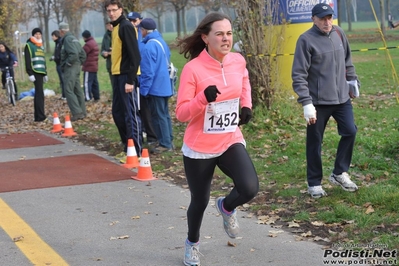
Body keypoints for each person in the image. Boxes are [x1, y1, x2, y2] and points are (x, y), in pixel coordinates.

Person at [175, 12, 259, 266]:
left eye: (229, 33)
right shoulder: (193, 70)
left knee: (249, 187)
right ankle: (192, 244)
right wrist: (203, 98)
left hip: (229, 138)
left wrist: (246, 105)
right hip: (200, 146)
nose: (226, 38)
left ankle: (226, 207)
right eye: (219, 34)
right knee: (199, 202)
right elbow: (181, 113)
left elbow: (244, 82)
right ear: (206, 38)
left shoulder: (237, 61)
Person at [291, 3, 359, 199]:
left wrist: (352, 82)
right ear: (313, 19)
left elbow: (348, 60)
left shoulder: (338, 33)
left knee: (350, 131)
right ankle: (314, 183)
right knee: (315, 141)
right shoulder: (305, 40)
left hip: (341, 98)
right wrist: (306, 103)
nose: (326, 22)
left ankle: (339, 172)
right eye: (322, 18)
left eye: (329, 17)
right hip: (317, 102)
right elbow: (299, 74)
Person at [104, 0, 142, 157]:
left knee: (130, 114)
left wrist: (130, 80)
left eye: (114, 10)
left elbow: (135, 56)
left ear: (121, 10)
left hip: (127, 76)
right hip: (118, 75)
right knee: (117, 112)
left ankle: (136, 151)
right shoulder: (116, 27)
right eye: (109, 11)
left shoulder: (126, 26)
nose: (111, 13)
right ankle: (128, 146)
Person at [139, 18, 173, 153]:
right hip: (166, 84)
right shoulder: (161, 42)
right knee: (165, 114)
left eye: (141, 29)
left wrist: (144, 90)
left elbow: (148, 72)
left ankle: (165, 144)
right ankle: (168, 139)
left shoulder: (148, 47)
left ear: (145, 30)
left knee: (158, 116)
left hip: (156, 87)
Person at [127, 11, 158, 148]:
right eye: (130, 21)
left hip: (144, 75)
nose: (133, 23)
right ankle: (144, 131)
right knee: (139, 106)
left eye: (135, 21)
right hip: (136, 74)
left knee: (146, 107)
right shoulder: (130, 33)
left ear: (140, 21)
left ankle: (151, 135)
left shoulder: (144, 36)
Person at [59, 22, 87, 122]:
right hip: (76, 66)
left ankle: (77, 112)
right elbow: (83, 53)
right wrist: (79, 63)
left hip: (70, 68)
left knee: (68, 90)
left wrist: (68, 64)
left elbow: (73, 54)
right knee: (77, 89)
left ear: (61, 31)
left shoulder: (67, 39)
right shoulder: (74, 38)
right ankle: (82, 111)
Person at [24, 28, 48, 122]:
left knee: (40, 94)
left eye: (39, 34)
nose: (38, 36)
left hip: (41, 72)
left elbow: (43, 59)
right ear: (33, 35)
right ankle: (40, 116)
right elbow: (27, 60)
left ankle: (38, 116)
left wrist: (45, 73)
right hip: (35, 72)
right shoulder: (29, 45)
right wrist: (30, 73)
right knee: (39, 94)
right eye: (36, 34)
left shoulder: (41, 46)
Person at [82, 30, 100, 101]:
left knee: (87, 83)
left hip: (89, 66)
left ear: (85, 37)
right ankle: (96, 96)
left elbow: (82, 53)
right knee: (94, 82)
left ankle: (87, 97)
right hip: (94, 66)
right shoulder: (94, 42)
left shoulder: (88, 44)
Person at [50, 30, 65, 100]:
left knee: (63, 80)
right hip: (58, 63)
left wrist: (56, 58)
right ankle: (63, 94)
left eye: (52, 36)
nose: (52, 38)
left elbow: (60, 54)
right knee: (61, 80)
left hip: (60, 64)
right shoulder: (57, 43)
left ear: (56, 36)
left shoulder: (60, 43)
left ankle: (65, 95)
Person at [101, 18, 113, 90]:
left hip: (119, 65)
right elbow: (102, 49)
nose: (109, 27)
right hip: (110, 64)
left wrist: (113, 51)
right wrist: (104, 53)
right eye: (108, 25)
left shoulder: (118, 33)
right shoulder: (106, 36)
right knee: (113, 84)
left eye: (110, 24)